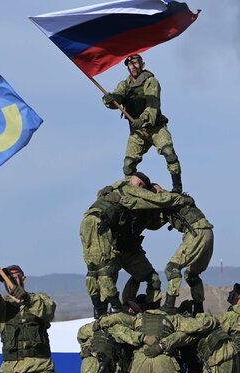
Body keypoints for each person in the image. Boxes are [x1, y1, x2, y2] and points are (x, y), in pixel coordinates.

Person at [81, 173, 193, 317]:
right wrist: (179, 199)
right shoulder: (129, 191)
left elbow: (154, 223)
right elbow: (158, 200)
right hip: (108, 240)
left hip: (128, 250)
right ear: (142, 188)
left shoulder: (140, 207)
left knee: (153, 279)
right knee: (100, 272)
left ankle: (152, 313)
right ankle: (107, 311)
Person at [98, 297, 214, 373]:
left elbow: (115, 322)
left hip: (141, 361)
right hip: (164, 361)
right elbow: (198, 326)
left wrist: (141, 337)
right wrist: (211, 320)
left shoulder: (138, 318)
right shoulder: (173, 318)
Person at [102, 54, 183, 193]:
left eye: (135, 63)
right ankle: (131, 190)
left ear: (142, 64)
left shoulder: (151, 81)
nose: (133, 66)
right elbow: (117, 98)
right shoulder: (125, 84)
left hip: (155, 127)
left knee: (168, 152)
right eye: (129, 64)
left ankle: (177, 187)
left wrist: (143, 119)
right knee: (128, 164)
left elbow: (153, 106)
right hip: (137, 132)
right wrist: (110, 99)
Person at [161, 196, 213, 315]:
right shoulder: (178, 199)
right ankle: (199, 310)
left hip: (196, 232)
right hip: (207, 232)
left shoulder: (163, 199)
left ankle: (169, 305)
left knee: (172, 267)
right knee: (192, 275)